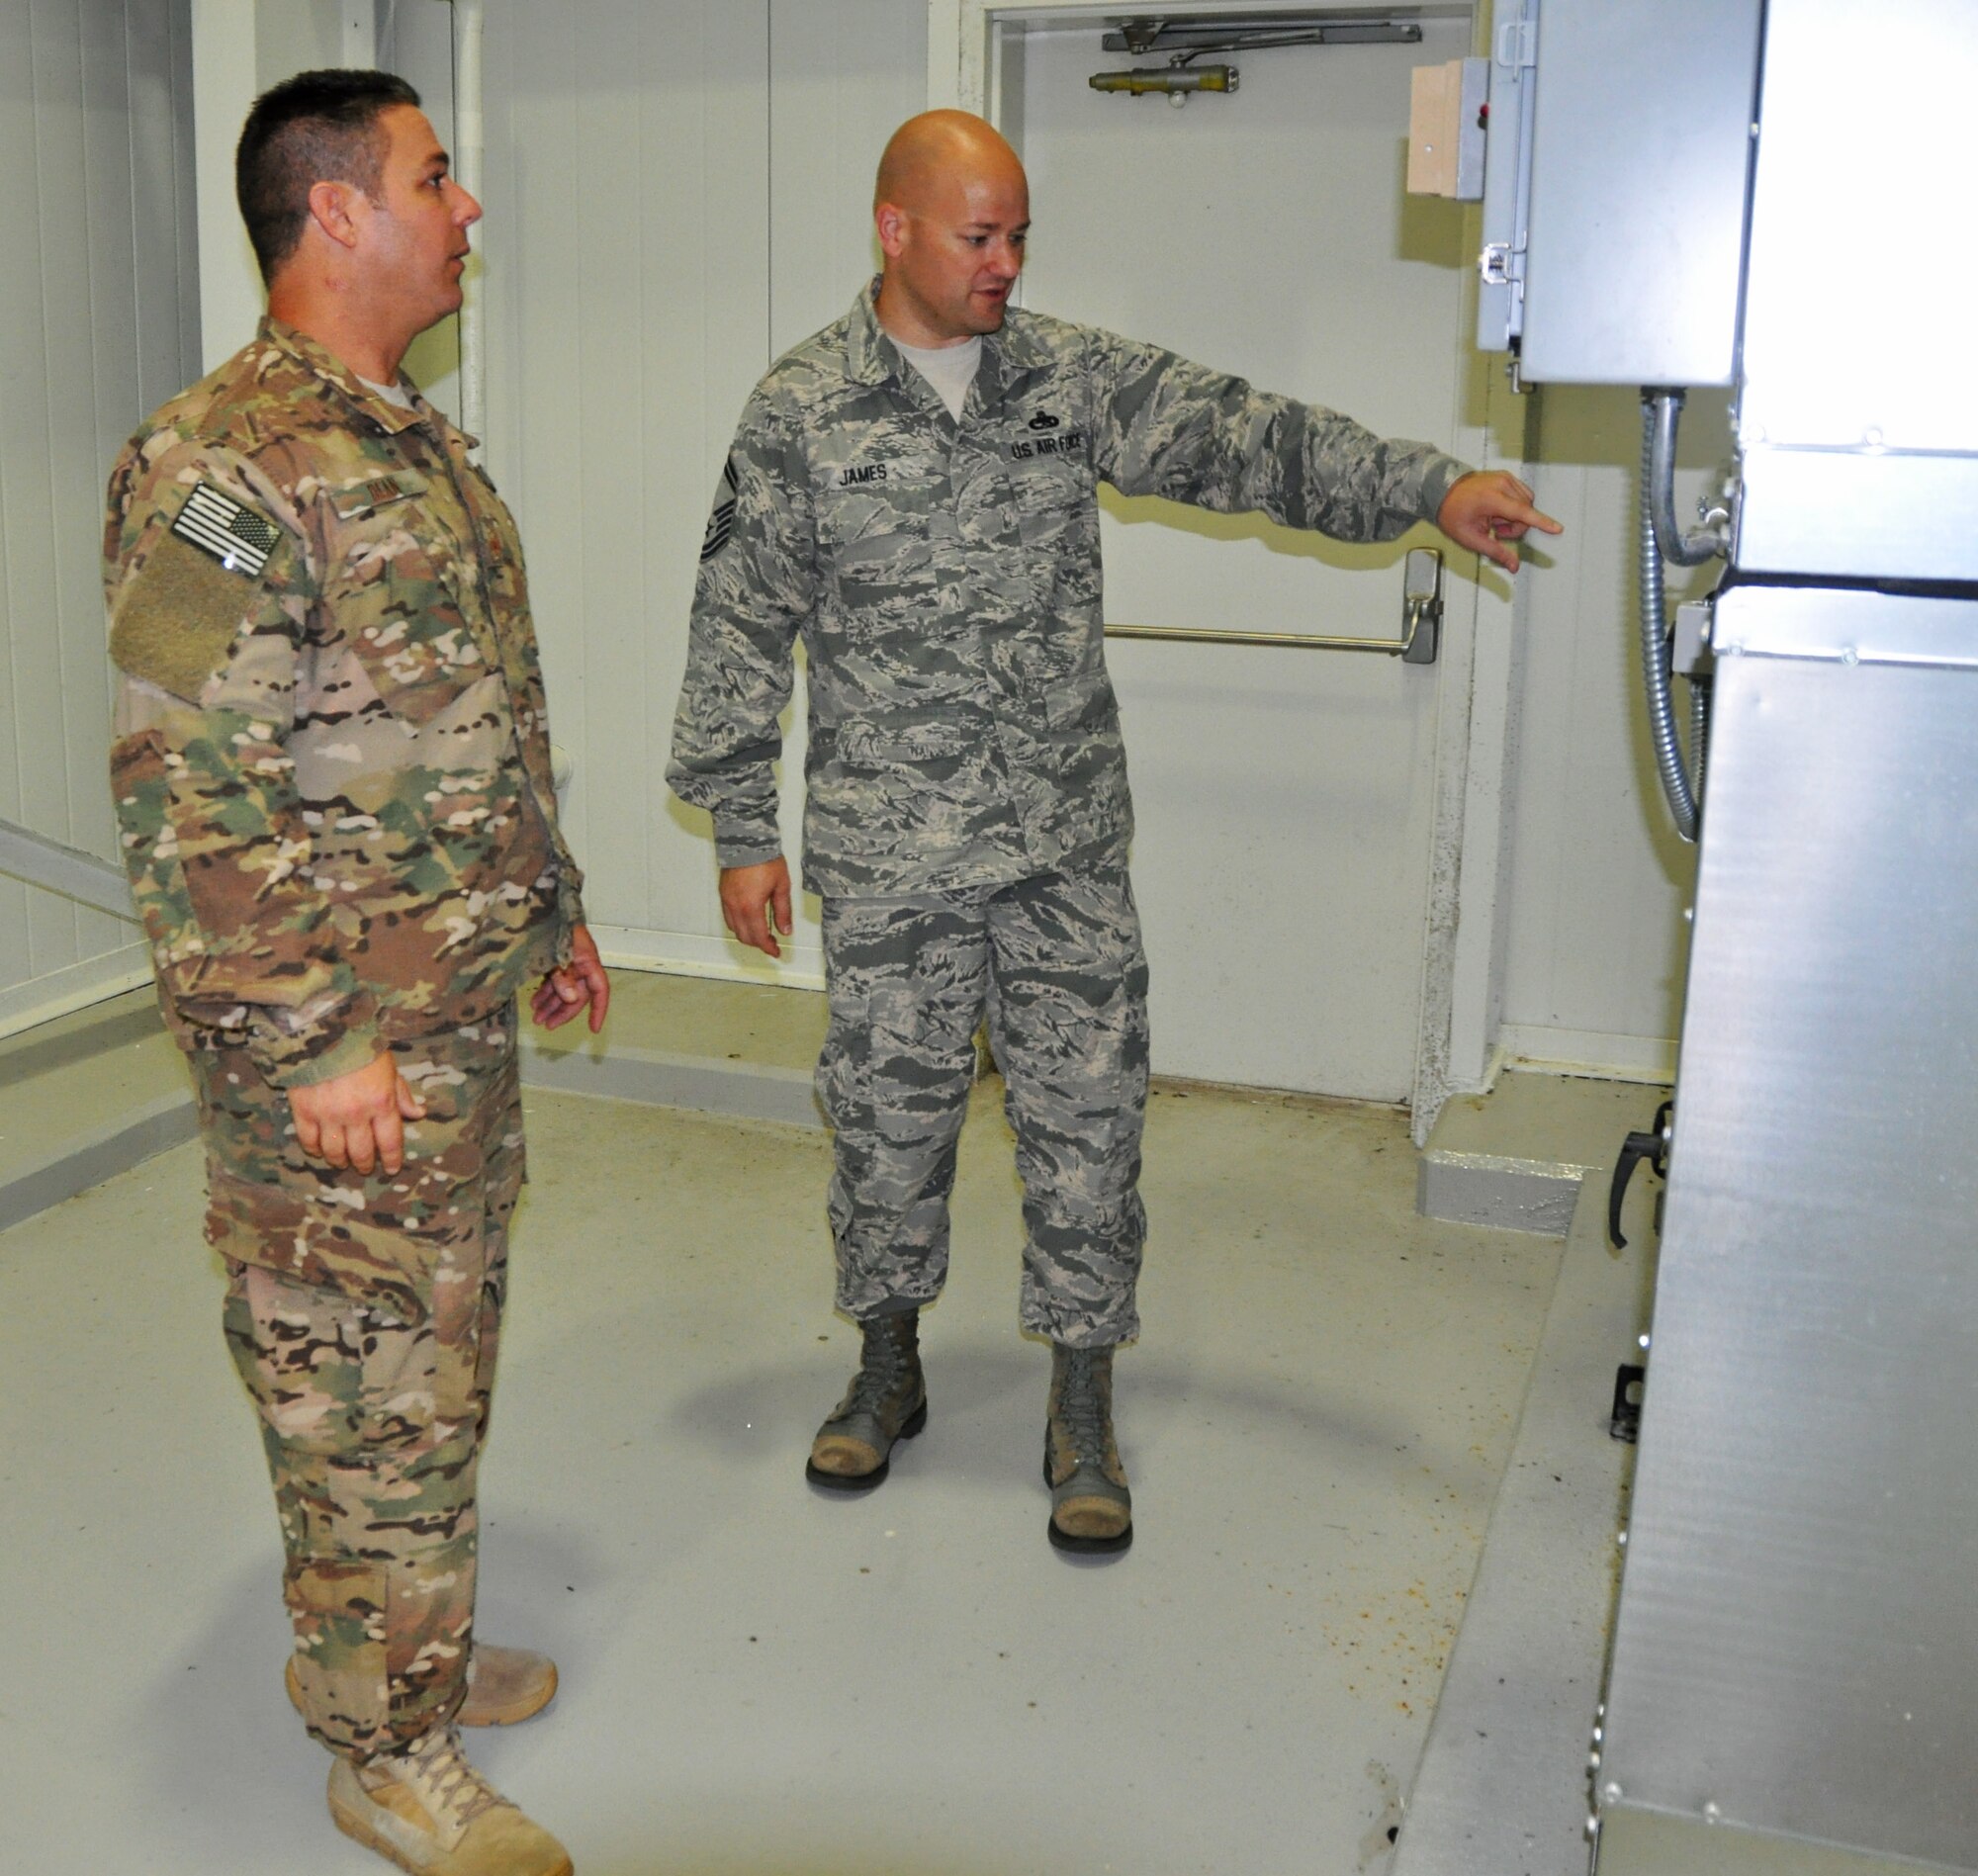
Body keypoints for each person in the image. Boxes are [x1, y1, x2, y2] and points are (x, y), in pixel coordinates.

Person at [668, 110, 1560, 1558]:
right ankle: (887, 1362)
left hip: (1062, 844)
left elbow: (1246, 438)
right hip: (890, 856)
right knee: (886, 1125)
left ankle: (1081, 1401)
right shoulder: (801, 410)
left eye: (1021, 234)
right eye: (980, 237)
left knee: (1088, 1126)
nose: (1008, 263)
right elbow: (739, 617)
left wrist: (1425, 488)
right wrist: (739, 823)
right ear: (895, 229)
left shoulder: (1064, 379)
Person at [104, 68, 606, 1876]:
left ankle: (420, 1650)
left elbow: (468, 721)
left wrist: (547, 909)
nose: (467, 206)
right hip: (331, 1041)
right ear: (335, 214)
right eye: (435, 174)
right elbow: (184, 768)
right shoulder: (221, 470)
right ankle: (382, 1746)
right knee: (359, 1369)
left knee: (437, 1353)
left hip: (446, 1013)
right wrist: (315, 1037)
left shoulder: (411, 435)